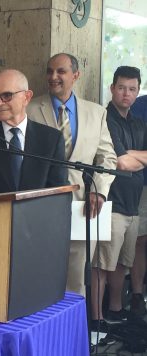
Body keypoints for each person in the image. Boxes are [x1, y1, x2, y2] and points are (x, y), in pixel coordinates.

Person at [26, 53, 117, 295]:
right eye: (49, 71)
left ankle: (73, 332)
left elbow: (108, 158)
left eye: (60, 72)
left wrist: (100, 192)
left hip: (83, 207)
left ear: (75, 75)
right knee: (40, 276)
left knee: (77, 280)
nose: (53, 77)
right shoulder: (31, 109)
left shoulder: (96, 113)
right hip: (41, 204)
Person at [91, 66, 147, 330]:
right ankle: (97, 319)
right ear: (112, 88)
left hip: (132, 204)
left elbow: (130, 158)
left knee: (122, 264)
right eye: (122, 87)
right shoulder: (105, 118)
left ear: (137, 92)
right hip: (110, 202)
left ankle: (115, 310)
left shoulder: (137, 122)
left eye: (132, 89)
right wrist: (136, 159)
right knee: (103, 263)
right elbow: (120, 163)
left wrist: (132, 157)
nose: (127, 93)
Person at [0, 69, 68, 194]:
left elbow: (59, 193)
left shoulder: (51, 139)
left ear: (26, 97)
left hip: (39, 212)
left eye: (6, 96)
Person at [127, 93, 147, 316]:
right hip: (143, 185)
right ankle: (136, 294)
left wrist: (137, 154)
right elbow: (125, 152)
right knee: (139, 240)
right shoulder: (140, 105)